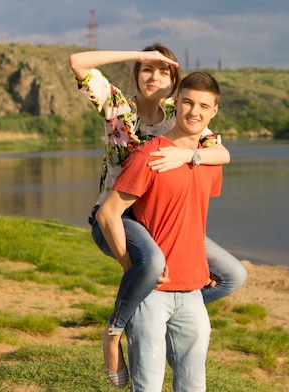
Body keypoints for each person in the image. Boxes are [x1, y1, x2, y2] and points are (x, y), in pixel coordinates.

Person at [68, 44, 247, 387]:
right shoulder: (120, 109)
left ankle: (160, 315)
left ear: (174, 85)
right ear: (136, 74)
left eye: (164, 71)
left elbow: (221, 154)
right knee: (149, 264)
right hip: (117, 216)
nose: (154, 76)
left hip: (156, 218)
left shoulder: (178, 115)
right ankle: (116, 329)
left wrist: (188, 158)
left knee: (231, 275)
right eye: (147, 69)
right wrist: (137, 53)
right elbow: (78, 62)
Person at [96, 70, 222, 391]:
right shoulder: (149, 155)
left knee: (194, 386)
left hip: (193, 292)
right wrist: (130, 265)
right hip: (152, 294)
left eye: (203, 106)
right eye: (188, 103)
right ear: (175, 103)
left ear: (214, 111)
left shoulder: (210, 161)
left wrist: (198, 263)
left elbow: (192, 217)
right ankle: (112, 334)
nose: (195, 112)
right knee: (148, 385)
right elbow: (108, 214)